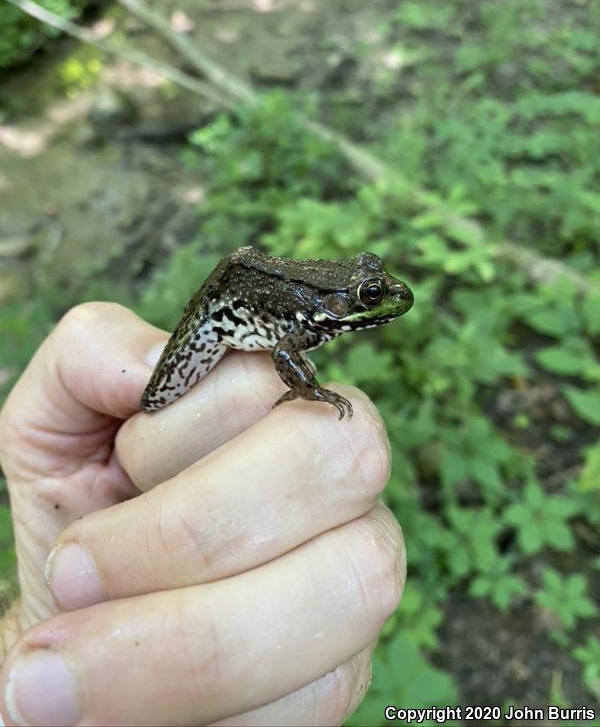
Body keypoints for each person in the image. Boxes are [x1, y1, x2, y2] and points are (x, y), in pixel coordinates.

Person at [0, 302, 405, 727]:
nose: (389, 298)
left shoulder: (309, 322)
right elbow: (285, 355)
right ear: (337, 303)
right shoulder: (302, 325)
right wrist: (311, 391)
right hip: (216, 320)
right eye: (371, 294)